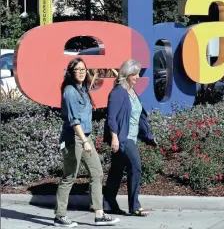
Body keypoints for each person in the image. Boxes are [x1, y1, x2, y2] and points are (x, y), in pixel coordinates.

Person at [54, 57, 120, 227]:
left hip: (85, 137)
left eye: (84, 69)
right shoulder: (69, 91)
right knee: (69, 177)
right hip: (73, 138)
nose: (82, 72)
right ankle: (60, 216)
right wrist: (84, 141)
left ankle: (99, 214)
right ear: (71, 72)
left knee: (97, 173)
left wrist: (86, 139)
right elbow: (73, 120)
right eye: (78, 69)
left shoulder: (83, 89)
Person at [103, 59, 157, 217]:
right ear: (126, 74)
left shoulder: (131, 91)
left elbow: (139, 117)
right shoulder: (118, 92)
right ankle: (134, 206)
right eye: (135, 73)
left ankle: (108, 203)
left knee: (117, 170)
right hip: (123, 138)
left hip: (131, 137)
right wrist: (114, 138)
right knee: (136, 167)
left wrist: (148, 135)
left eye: (138, 73)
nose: (137, 76)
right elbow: (111, 117)